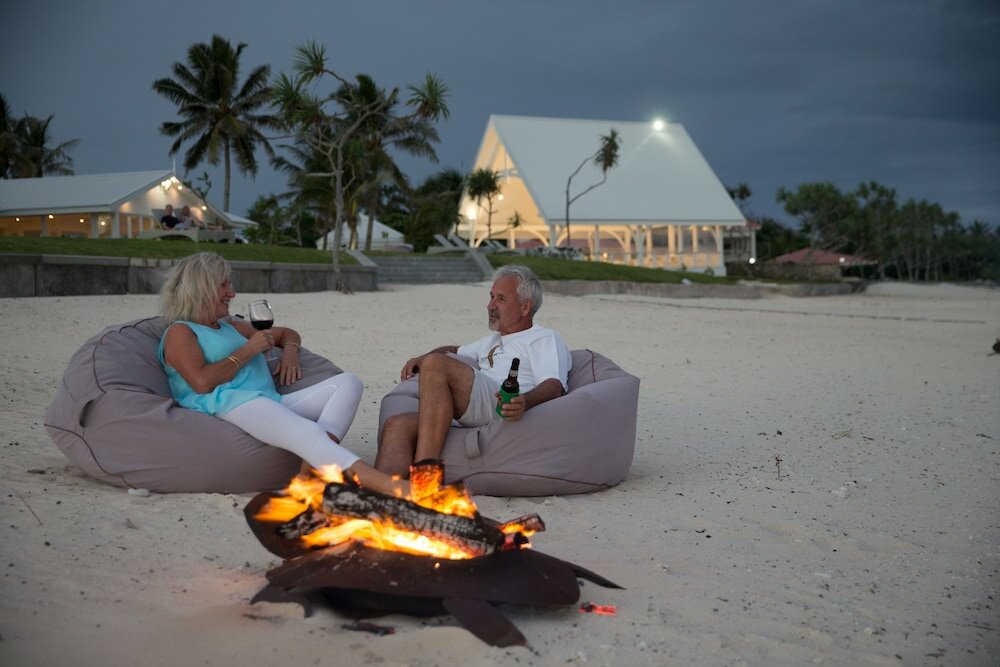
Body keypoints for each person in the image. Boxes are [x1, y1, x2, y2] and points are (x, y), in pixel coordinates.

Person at [157, 251, 404, 496]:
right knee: (309, 431)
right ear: (201, 288)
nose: (231, 293)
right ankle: (386, 486)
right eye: (223, 285)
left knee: (349, 383)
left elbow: (286, 333)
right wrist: (248, 349)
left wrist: (290, 353)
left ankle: (310, 470)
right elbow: (201, 382)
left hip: (268, 399)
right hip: (229, 401)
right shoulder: (181, 331)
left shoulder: (227, 325)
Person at [375, 265, 572, 477]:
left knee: (436, 363)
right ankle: (381, 496)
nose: (490, 306)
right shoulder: (493, 341)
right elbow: (453, 350)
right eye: (491, 297)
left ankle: (426, 477)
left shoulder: (542, 338)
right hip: (475, 407)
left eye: (500, 299)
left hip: (502, 406)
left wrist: (524, 401)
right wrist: (421, 358)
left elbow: (554, 384)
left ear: (525, 308)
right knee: (397, 425)